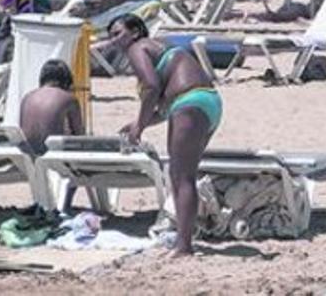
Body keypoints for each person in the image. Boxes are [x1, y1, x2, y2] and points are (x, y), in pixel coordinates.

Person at [109, 14, 221, 256]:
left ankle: (184, 246)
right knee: (184, 175)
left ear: (136, 31)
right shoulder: (158, 48)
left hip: (189, 102)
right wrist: (140, 123)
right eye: (111, 37)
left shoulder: (137, 48)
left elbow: (151, 87)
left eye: (118, 33)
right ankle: (184, 241)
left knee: (181, 177)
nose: (114, 41)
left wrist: (139, 126)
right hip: (206, 102)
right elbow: (164, 106)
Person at [19, 59, 84, 156]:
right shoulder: (69, 99)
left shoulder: (27, 97)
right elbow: (79, 136)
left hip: (29, 156)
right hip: (54, 157)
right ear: (66, 79)